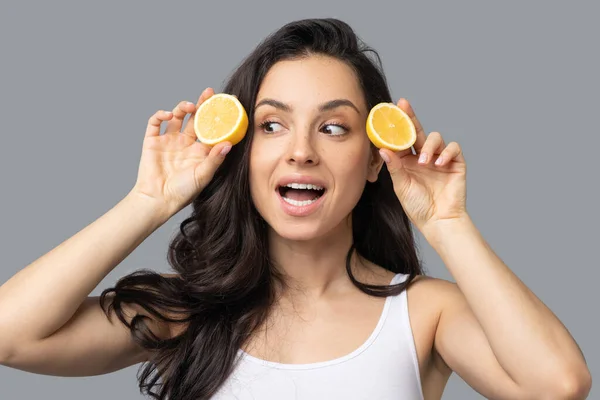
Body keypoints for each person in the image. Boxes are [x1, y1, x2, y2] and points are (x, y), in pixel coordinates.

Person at [0, 18, 591, 400]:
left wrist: (447, 223)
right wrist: (147, 202)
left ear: (374, 158)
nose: (302, 151)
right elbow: (10, 335)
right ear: (242, 151)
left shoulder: (424, 315)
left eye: (334, 127)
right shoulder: (188, 311)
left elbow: (559, 385)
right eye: (273, 125)